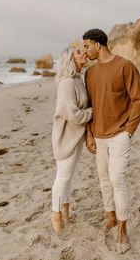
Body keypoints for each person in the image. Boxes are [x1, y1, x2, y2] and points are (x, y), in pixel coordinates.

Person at [83, 28, 140, 254]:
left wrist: (128, 131)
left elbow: (139, 100)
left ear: (98, 45)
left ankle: (122, 228)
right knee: (103, 180)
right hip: (98, 136)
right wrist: (89, 134)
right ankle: (110, 216)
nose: (85, 51)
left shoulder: (124, 66)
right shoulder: (89, 74)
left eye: (87, 46)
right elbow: (90, 107)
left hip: (120, 135)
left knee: (117, 179)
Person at [51, 45, 93, 233]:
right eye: (78, 52)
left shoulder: (78, 79)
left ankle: (65, 212)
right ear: (70, 59)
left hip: (76, 136)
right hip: (65, 138)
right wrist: (93, 112)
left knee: (68, 178)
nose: (83, 52)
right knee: (62, 178)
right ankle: (56, 216)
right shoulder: (67, 83)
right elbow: (73, 114)